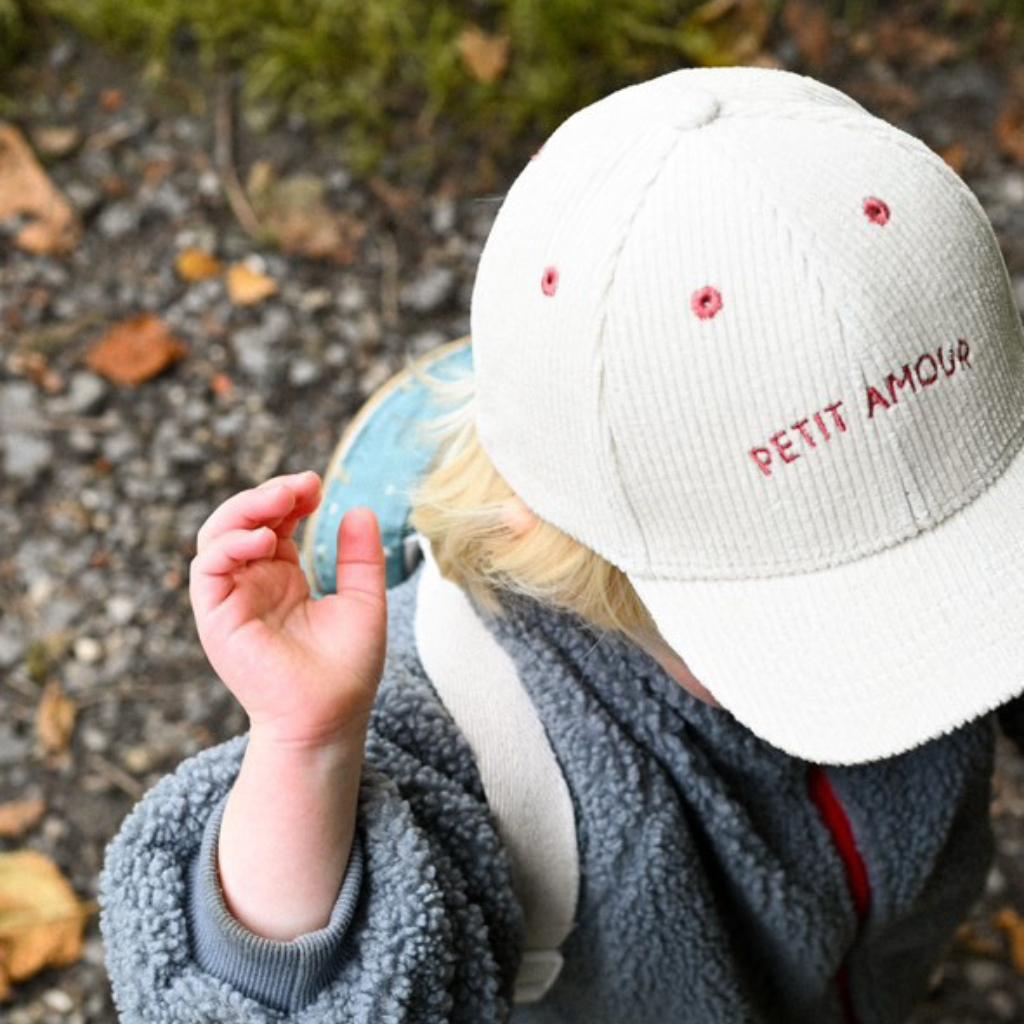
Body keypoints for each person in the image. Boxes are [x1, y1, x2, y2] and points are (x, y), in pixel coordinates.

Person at [99, 65, 1024, 1024]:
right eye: (824, 606)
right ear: (558, 539)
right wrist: (308, 750)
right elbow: (270, 1001)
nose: (902, 648)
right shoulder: (484, 726)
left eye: (965, 562)